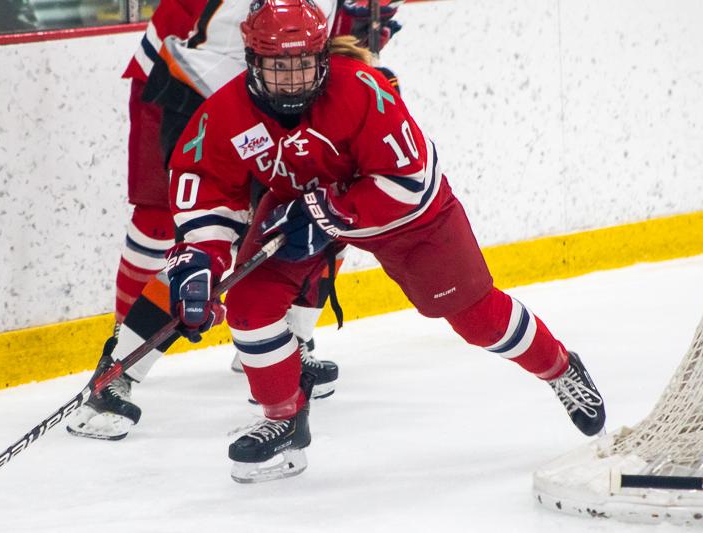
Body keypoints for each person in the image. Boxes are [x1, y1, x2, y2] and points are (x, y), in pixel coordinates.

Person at [162, 0, 607, 483]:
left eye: (302, 65)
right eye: (277, 67)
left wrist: (331, 214)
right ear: (251, 60)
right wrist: (201, 257)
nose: (291, 80)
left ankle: (560, 368)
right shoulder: (226, 112)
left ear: (322, 58)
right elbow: (204, 183)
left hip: (406, 218)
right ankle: (284, 422)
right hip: (301, 207)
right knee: (249, 303)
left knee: (477, 319)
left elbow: (409, 182)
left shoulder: (362, 91)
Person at [66, 0, 403, 440]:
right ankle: (121, 369)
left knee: (321, 212)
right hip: (203, 85)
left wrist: (357, 31)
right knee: (206, 244)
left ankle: (284, 343)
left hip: (287, 92)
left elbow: (332, 26)